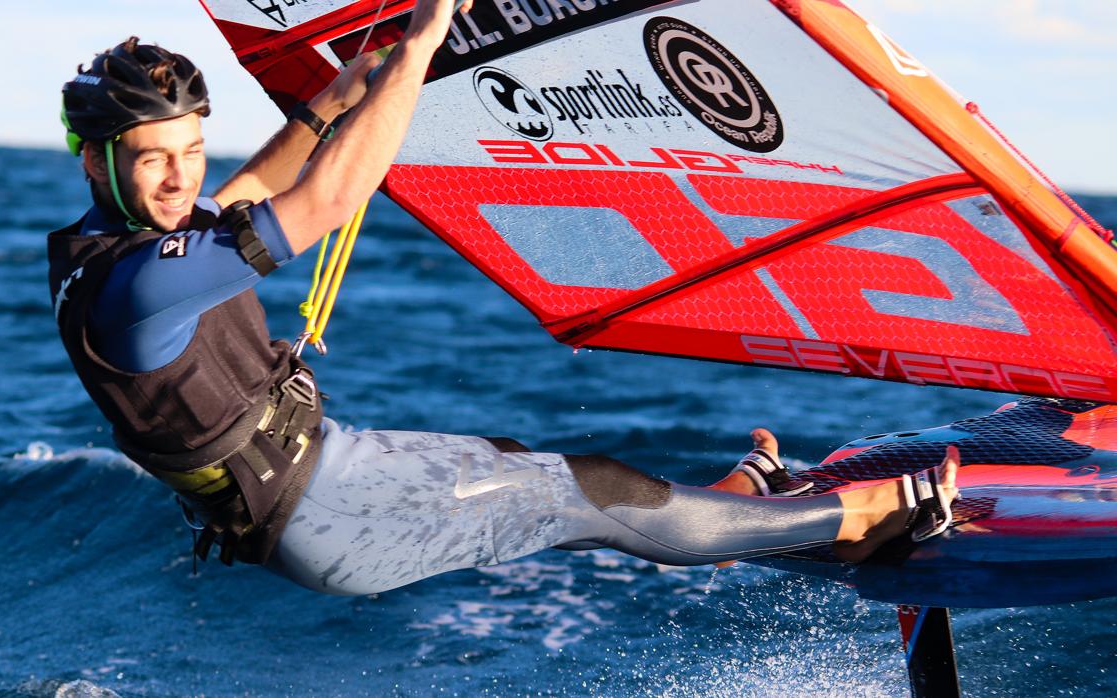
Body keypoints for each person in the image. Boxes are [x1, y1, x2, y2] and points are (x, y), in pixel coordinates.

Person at [48, 0, 958, 596]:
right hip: (330, 513)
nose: (179, 177)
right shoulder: (142, 283)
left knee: (543, 470)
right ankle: (867, 520)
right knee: (597, 492)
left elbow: (240, 200)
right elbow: (322, 202)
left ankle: (734, 508)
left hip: (334, 470)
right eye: (150, 157)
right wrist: (419, 49)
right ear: (95, 159)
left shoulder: (120, 248)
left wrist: (337, 97)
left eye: (188, 148)